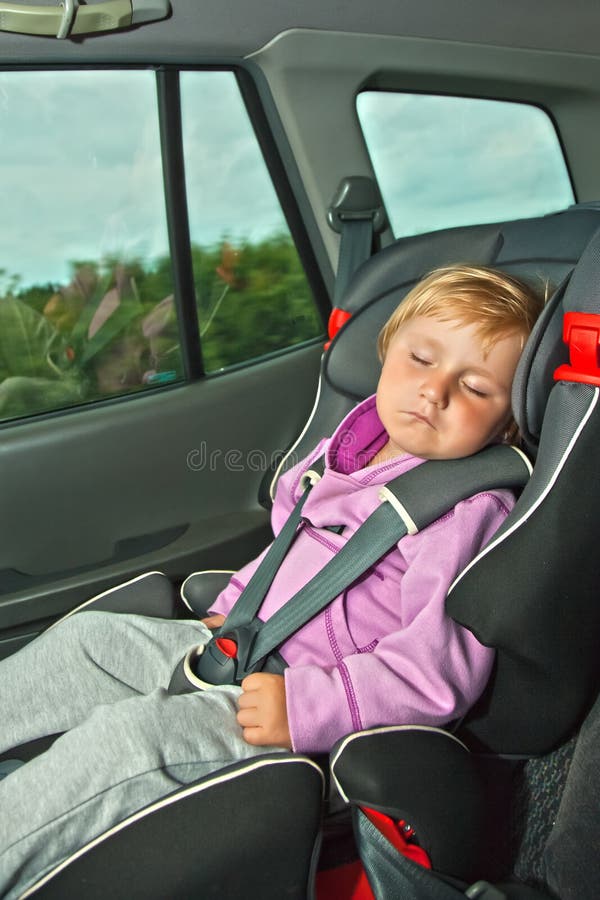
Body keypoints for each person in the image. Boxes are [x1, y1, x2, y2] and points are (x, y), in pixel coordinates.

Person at [0, 264, 543, 897]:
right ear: (386, 348)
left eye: (475, 388)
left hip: (296, 707)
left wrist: (307, 708)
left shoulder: (466, 513)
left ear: (508, 421)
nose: (434, 391)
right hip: (239, 641)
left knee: (132, 742)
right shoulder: (351, 446)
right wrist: (233, 606)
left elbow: (436, 673)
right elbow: (288, 553)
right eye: (421, 358)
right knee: (89, 643)